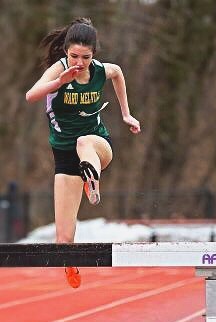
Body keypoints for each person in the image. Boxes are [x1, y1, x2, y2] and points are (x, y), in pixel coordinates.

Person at [26, 17, 141, 288]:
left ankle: (92, 180)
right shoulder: (60, 69)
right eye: (74, 56)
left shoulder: (101, 70)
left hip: (97, 146)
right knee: (63, 239)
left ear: (94, 54)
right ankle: (70, 265)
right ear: (66, 51)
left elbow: (118, 73)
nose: (79, 62)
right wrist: (59, 81)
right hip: (64, 156)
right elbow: (31, 95)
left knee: (83, 143)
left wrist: (127, 114)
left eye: (86, 57)